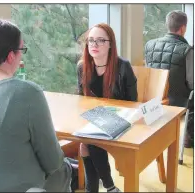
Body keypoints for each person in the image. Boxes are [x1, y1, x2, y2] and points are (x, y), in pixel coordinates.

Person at [0, 18, 73, 192]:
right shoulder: (27, 93)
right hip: (27, 188)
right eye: (22, 50)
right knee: (65, 168)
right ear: (11, 55)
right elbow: (52, 162)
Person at [77, 23, 138, 192]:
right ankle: (108, 187)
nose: (94, 45)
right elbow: (81, 101)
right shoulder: (82, 67)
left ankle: (106, 186)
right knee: (87, 142)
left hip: (123, 120)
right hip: (95, 119)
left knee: (89, 142)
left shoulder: (123, 66)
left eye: (100, 40)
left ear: (110, 44)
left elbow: (133, 102)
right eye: (91, 40)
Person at [144, 10, 194, 147]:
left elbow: (149, 72)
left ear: (168, 25)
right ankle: (188, 140)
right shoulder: (188, 50)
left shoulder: (149, 45)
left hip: (153, 100)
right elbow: (192, 83)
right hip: (177, 102)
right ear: (183, 28)